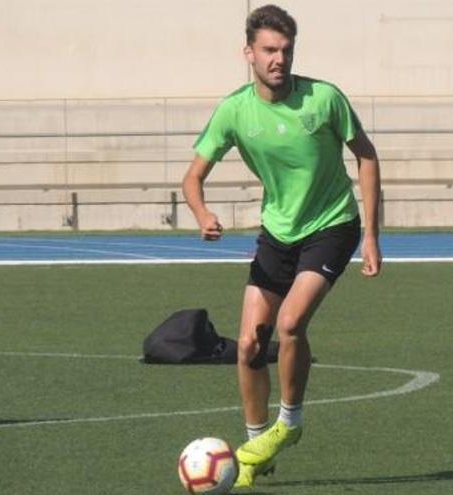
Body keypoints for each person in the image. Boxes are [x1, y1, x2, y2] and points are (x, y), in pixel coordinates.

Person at [182, 4, 382, 489]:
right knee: (249, 343)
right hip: (278, 233)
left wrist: (373, 234)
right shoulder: (234, 110)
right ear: (248, 53)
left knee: (290, 323)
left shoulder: (324, 99)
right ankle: (256, 449)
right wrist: (203, 214)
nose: (279, 59)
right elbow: (192, 177)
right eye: (269, 50)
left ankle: (288, 424)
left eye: (286, 50)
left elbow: (367, 156)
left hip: (332, 226)